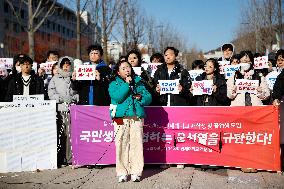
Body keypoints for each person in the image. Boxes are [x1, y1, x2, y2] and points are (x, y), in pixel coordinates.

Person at [108, 60, 152, 183]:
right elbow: (117, 97)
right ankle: (122, 172)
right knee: (121, 143)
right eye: (123, 68)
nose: (127, 69)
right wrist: (127, 85)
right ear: (118, 71)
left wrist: (141, 98)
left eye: (128, 67)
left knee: (137, 143)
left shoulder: (138, 81)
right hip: (120, 118)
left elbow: (148, 97)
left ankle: (136, 172)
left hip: (136, 116)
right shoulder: (114, 83)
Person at [48, 56, 78, 167]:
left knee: (71, 134)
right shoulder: (55, 78)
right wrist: (60, 99)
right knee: (61, 134)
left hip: (72, 109)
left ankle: (70, 159)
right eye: (63, 64)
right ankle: (60, 158)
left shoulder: (75, 77)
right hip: (60, 110)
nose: (66, 66)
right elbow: (51, 92)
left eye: (68, 64)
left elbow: (79, 91)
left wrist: (74, 98)